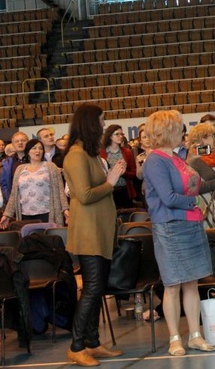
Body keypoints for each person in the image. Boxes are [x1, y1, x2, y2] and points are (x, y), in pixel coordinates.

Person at [142, 110, 215, 357]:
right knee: (173, 285)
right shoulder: (155, 160)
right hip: (170, 227)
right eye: (178, 128)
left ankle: (195, 335)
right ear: (166, 131)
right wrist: (194, 203)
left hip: (190, 225)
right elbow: (167, 198)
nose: (182, 132)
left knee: (192, 283)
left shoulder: (178, 158)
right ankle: (175, 338)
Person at [63, 104, 125, 366]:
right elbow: (85, 195)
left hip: (100, 231)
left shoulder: (88, 154)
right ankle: (76, 346)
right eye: (101, 120)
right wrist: (110, 182)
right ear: (91, 123)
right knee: (91, 290)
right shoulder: (76, 155)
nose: (104, 125)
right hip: (88, 233)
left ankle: (92, 342)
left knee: (97, 289)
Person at [0, 139, 69, 228]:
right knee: (28, 240)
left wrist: (65, 210)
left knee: (47, 239)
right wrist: (7, 215)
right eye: (34, 148)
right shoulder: (20, 169)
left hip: (47, 213)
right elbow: (14, 195)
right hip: (25, 214)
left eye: (40, 148)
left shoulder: (51, 167)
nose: (38, 151)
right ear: (28, 152)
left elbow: (60, 190)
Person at [186, 122, 215, 228]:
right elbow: (195, 187)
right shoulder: (193, 161)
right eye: (212, 136)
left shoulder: (214, 156)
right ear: (203, 138)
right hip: (209, 209)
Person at [101, 124, 138, 209]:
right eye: (117, 134)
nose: (120, 136)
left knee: (126, 217)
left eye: (122, 134)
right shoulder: (101, 153)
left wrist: (123, 173)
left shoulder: (127, 152)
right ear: (110, 136)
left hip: (124, 190)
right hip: (108, 191)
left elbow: (133, 173)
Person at [1, 131, 29, 203]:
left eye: (23, 140)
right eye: (17, 141)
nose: (20, 143)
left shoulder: (36, 159)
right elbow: (4, 184)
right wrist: (10, 201)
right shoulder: (7, 162)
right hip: (15, 201)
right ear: (13, 144)